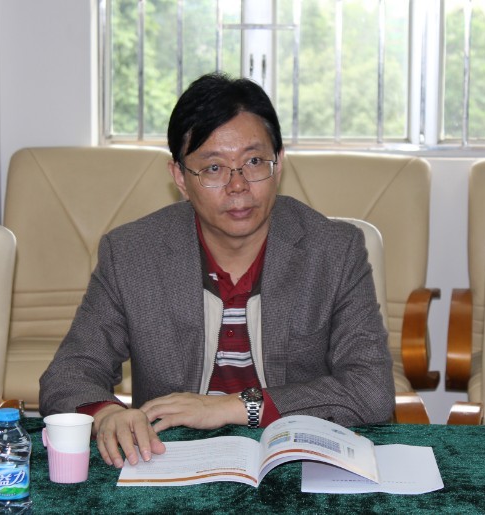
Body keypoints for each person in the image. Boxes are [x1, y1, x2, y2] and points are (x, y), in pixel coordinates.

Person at [39, 72, 394, 468]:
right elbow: (68, 375)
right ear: (180, 178)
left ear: (278, 165)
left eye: (253, 162)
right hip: (171, 461)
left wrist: (230, 407)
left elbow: (371, 390)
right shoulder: (132, 254)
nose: (237, 185)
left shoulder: (334, 250)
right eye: (213, 168)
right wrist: (108, 415)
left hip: (294, 462)